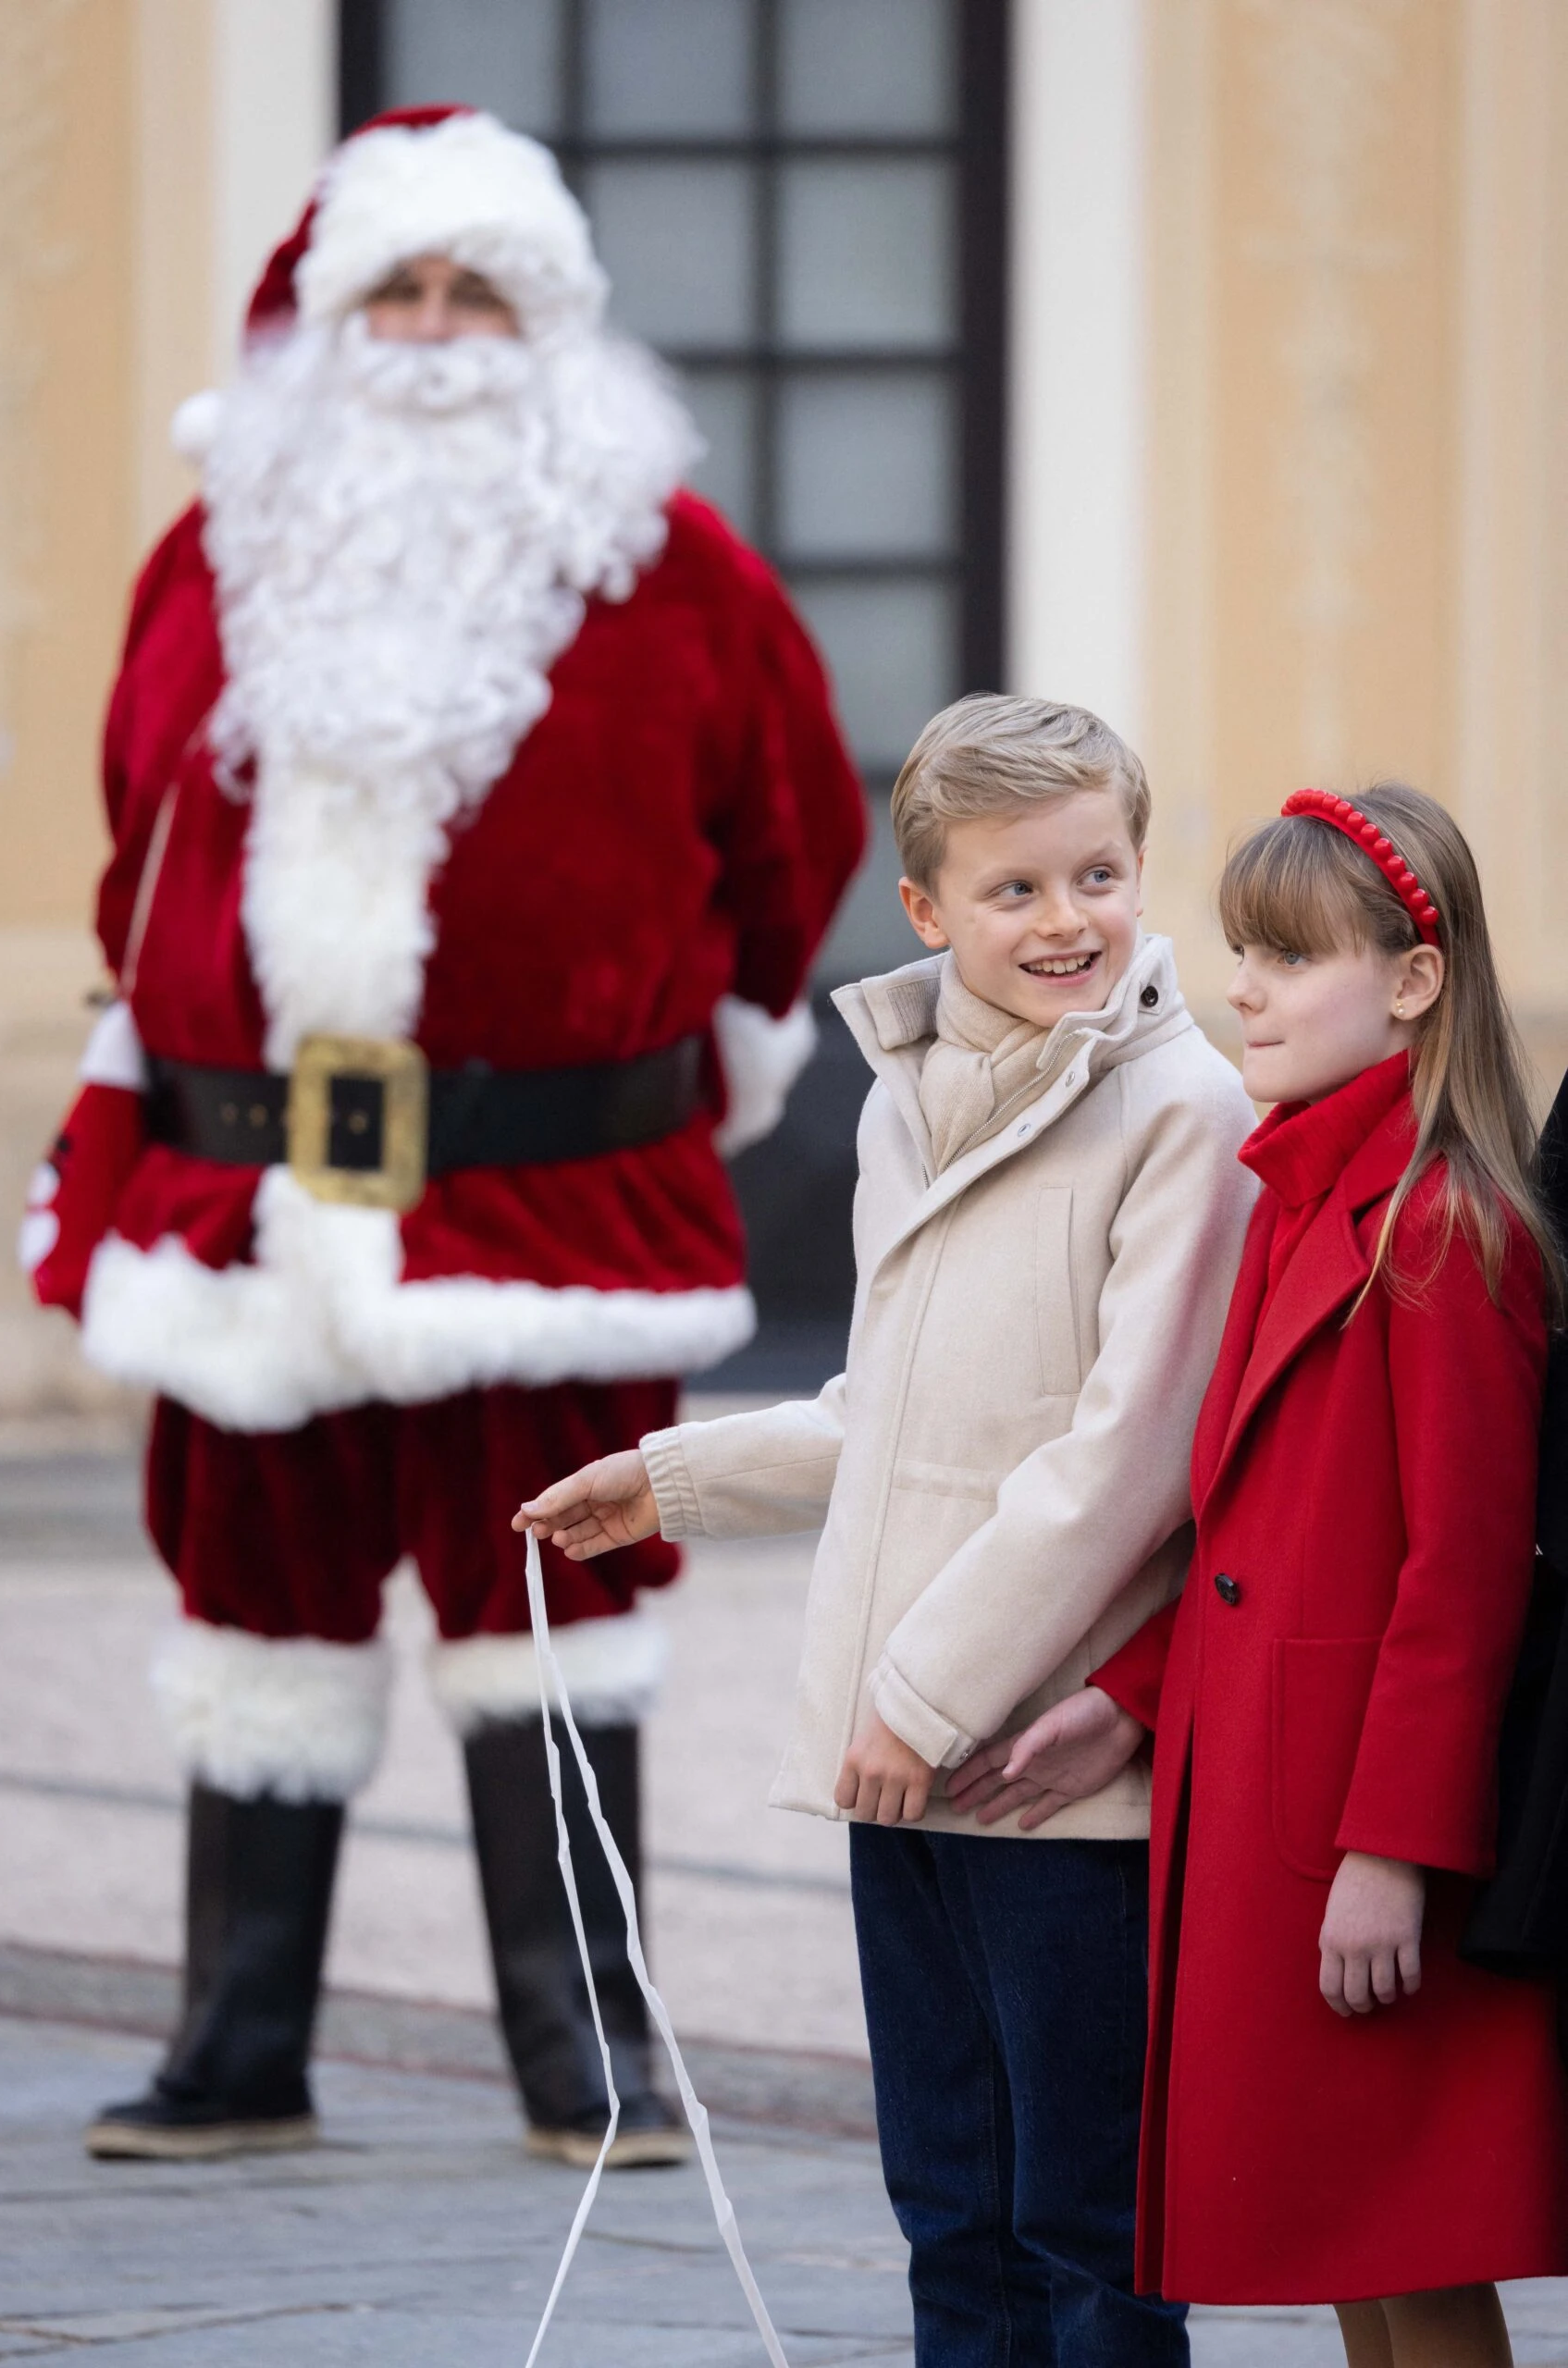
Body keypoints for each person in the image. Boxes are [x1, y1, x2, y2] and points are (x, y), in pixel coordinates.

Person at [19, 105, 863, 2166]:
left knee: (560, 1610)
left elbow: (796, 840)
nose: (431, 327)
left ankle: (591, 2043)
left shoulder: (680, 573)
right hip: (252, 1186)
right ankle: (236, 2040)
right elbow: (138, 829)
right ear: (322, 317)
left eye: (475, 287)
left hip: (550, 1186)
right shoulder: (213, 551)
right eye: (392, 287)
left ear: (552, 320)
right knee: (251, 1608)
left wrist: (711, 1044)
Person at [518, 694, 1257, 2368]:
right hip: (906, 1758)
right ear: (923, 910)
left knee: (1087, 2221)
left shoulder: (1180, 1115)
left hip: (1048, 1765)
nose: (1066, 922)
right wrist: (674, 1475)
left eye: (1098, 876)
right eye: (1014, 891)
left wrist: (919, 1701)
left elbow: (1122, 1457)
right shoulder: (904, 1098)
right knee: (946, 2206)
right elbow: (894, 1408)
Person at [962, 783, 1568, 2366]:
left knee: (1412, 2246)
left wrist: (1391, 1851)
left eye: (1289, 957)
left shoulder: (1438, 1230)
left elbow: (1462, 1578)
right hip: (1264, 1811)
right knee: (1350, 2242)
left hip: (1354, 1833)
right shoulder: (1300, 1193)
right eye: (1242, 950)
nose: (1243, 988)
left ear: (1413, 984)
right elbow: (1248, 1539)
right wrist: (1132, 1703)